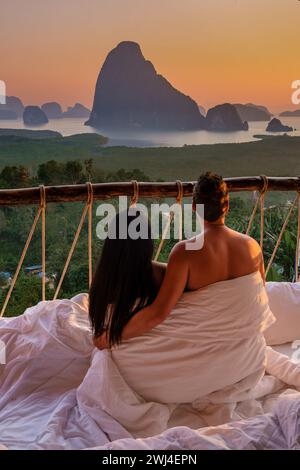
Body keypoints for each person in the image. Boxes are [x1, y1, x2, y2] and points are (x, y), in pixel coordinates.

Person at [93, 172, 265, 349]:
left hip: (207, 348)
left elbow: (157, 313)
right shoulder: (253, 247)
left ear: (193, 207)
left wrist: (109, 337)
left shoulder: (185, 253)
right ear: (227, 206)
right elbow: (259, 296)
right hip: (245, 348)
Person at [89, 210, 166, 347]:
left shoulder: (102, 280)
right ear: (147, 243)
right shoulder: (161, 273)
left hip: (115, 345)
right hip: (149, 345)